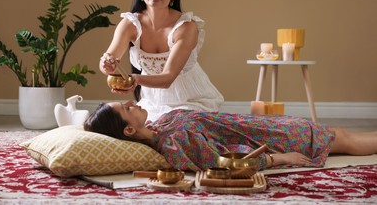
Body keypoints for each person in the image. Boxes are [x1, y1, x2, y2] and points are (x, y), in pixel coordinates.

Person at [84, 101, 377, 172]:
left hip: (267, 127)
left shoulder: (162, 124)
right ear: (129, 130)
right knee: (344, 139)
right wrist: (278, 158)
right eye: (126, 108)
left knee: (343, 135)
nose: (131, 103)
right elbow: (224, 162)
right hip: (275, 139)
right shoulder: (173, 143)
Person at [99, 0, 223, 122]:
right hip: (152, 102)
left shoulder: (186, 27)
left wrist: (134, 80)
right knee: (138, 131)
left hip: (191, 101)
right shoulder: (130, 24)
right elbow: (110, 63)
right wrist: (106, 65)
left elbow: (168, 78)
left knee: (176, 127)